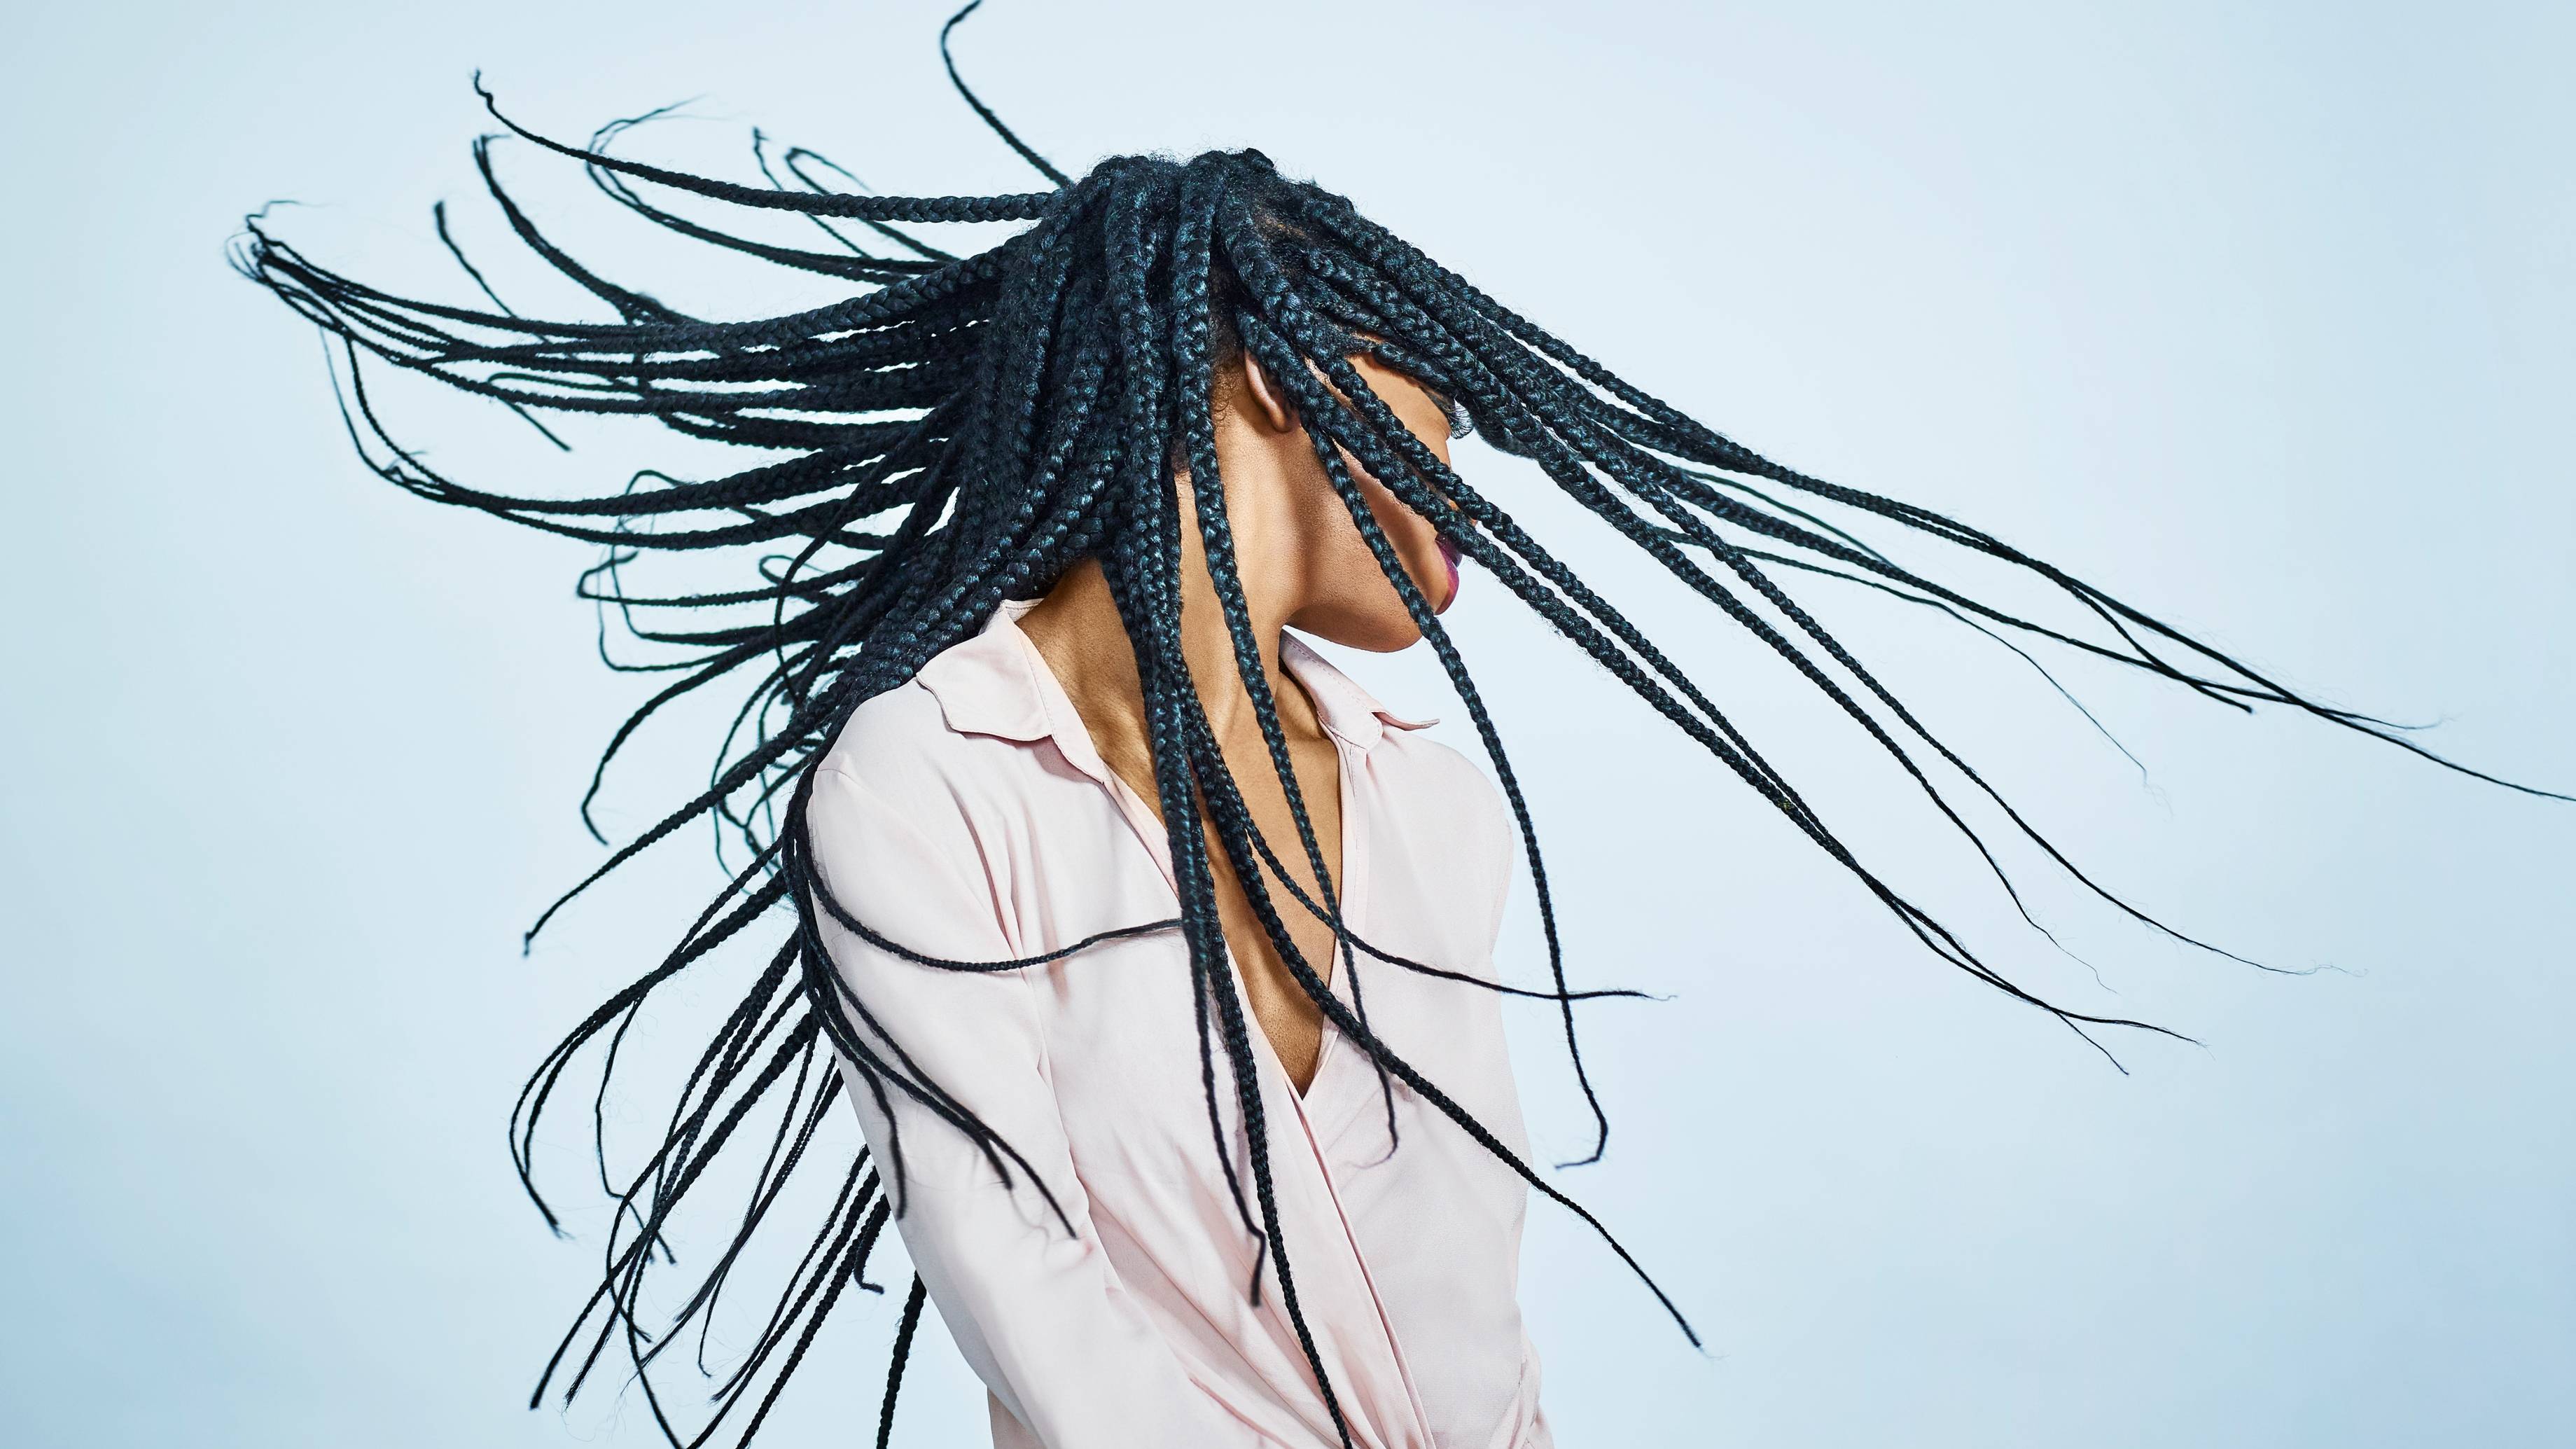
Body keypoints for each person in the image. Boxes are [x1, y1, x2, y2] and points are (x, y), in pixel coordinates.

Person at [235, 9, 2558, 1447]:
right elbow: (1027, 1296)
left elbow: (1476, 1313)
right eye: (1433, 396)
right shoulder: (922, 781)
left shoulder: (1424, 799)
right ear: (1266, 373)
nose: (1478, 469)